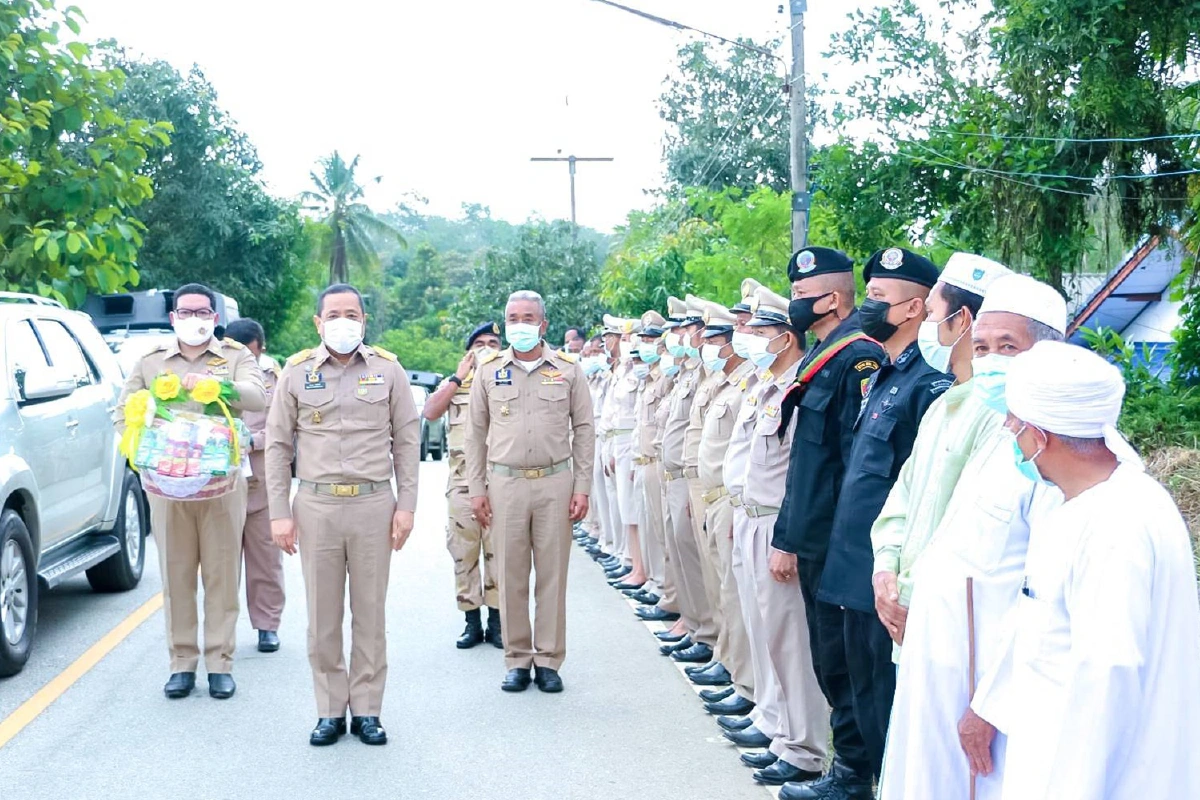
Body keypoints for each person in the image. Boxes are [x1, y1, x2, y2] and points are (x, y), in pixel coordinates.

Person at [970, 341, 1200, 800]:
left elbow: (1107, 676)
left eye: (1014, 421)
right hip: (1048, 753)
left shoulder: (1117, 523)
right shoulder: (1083, 505)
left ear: (1042, 436)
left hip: (1092, 777)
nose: (1008, 431)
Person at [879, 272, 1067, 799]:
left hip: (986, 691)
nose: (989, 361)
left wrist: (990, 703)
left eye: (1008, 347)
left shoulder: (1055, 458)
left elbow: (1045, 599)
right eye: (981, 347)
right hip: (934, 668)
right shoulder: (1005, 435)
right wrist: (887, 568)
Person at [791, 248, 947, 794]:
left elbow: (919, 492)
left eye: (879, 297)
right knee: (851, 683)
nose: (868, 307)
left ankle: (874, 781)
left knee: (885, 698)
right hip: (851, 559)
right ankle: (856, 777)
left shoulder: (929, 385)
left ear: (914, 308)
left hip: (883, 569)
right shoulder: (883, 372)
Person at [265, 283, 420, 747]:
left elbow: (407, 441)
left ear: (364, 321)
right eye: (333, 314)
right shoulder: (296, 372)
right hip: (317, 505)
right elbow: (277, 446)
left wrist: (407, 505)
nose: (343, 322)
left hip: (373, 504)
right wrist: (279, 513)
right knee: (323, 616)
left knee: (370, 613)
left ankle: (368, 710)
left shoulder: (388, 370)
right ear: (318, 322)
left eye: (351, 314)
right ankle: (330, 710)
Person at [767, 246, 886, 797]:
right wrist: (790, 535)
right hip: (814, 539)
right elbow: (806, 464)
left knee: (845, 664)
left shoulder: (857, 359)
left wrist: (822, 542)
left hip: (838, 545)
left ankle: (853, 775)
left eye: (800, 295)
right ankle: (847, 769)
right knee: (828, 659)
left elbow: (850, 465)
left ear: (833, 299)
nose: (793, 304)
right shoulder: (823, 355)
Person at [114, 283, 265, 701]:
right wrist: (142, 447)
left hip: (220, 485)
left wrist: (221, 388)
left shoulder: (235, 356)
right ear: (173, 317)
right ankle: (181, 663)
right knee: (176, 575)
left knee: (222, 575)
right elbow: (123, 411)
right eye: (186, 312)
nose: (194, 319)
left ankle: (220, 664)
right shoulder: (151, 360)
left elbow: (257, 396)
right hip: (167, 485)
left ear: (215, 318)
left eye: (202, 313)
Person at [723, 285, 830, 787]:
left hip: (776, 525)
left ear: (785, 337)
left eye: (758, 330)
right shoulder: (766, 384)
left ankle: (805, 748)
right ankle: (774, 724)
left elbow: (800, 473)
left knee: (790, 641)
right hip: (751, 516)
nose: (746, 336)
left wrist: (787, 538)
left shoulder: (799, 388)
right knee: (764, 631)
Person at [466, 290, 594, 694]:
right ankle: (518, 659)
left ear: (543, 324)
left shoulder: (569, 369)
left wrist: (582, 486)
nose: (520, 325)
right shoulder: (488, 370)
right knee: (511, 574)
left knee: (552, 576)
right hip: (505, 483)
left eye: (528, 318)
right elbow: (475, 433)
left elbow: (584, 430)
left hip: (555, 482)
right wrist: (476, 488)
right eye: (513, 318)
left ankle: (549, 659)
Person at [687, 297, 757, 703]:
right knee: (724, 589)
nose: (706, 347)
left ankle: (744, 680)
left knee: (735, 594)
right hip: (712, 496)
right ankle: (730, 662)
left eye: (715, 340)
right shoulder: (724, 381)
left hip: (734, 501)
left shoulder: (749, 384)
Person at [422, 321, 504, 649]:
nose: (487, 349)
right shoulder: (454, 383)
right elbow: (430, 412)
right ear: (468, 352)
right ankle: (472, 622)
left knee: (499, 553)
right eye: (480, 344)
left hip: (500, 481)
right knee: (463, 552)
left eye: (493, 344)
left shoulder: (508, 380)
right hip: (462, 482)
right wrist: (458, 377)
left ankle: (497, 622)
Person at [658, 295, 718, 664]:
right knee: (682, 553)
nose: (683, 336)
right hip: (677, 473)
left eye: (689, 329)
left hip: (696, 478)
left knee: (701, 564)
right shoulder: (688, 373)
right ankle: (695, 626)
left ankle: (706, 633)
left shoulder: (709, 374)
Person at [225, 318, 286, 655]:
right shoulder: (214, 374)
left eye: (250, 353)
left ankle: (267, 626)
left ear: (261, 348)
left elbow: (285, 426)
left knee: (266, 559)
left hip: (262, 480)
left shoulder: (276, 378)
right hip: (222, 481)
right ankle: (222, 630)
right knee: (222, 563)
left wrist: (254, 440)